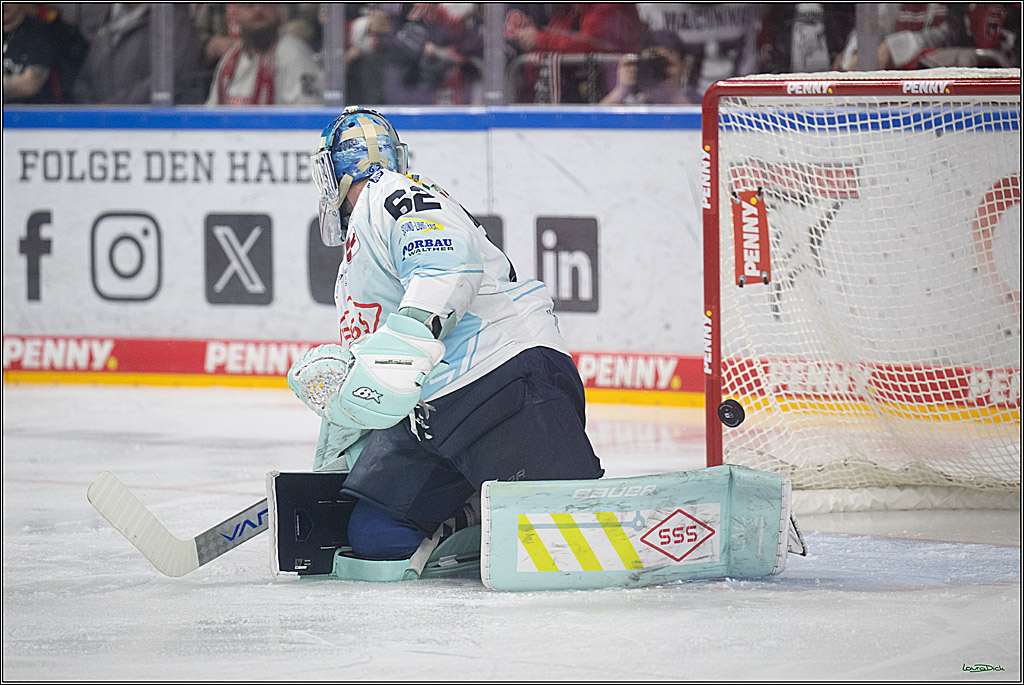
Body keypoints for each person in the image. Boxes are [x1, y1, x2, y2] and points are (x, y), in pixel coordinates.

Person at [287, 107, 604, 561]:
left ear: (338, 168)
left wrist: (407, 342)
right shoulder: (357, 251)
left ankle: (517, 504)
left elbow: (446, 261)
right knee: (377, 537)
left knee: (566, 542)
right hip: (436, 412)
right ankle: (480, 507)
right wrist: (348, 423)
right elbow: (387, 368)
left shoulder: (390, 193)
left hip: (499, 379)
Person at [72, 3, 204, 105]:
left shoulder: (172, 21)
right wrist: (90, 109)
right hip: (100, 129)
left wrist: (112, 107)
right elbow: (86, 78)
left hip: (148, 129)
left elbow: (170, 81)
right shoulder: (108, 20)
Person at [205, 2, 322, 106]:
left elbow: (306, 120)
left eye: (266, 4)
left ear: (277, 10)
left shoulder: (294, 54)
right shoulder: (229, 60)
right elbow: (211, 117)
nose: (258, 10)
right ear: (236, 14)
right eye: (249, 5)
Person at [601, 30, 694, 105]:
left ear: (684, 67)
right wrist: (621, 91)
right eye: (651, 64)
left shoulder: (698, 102)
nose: (657, 70)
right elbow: (596, 121)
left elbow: (699, 123)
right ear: (639, 63)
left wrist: (674, 96)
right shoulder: (630, 103)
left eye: (666, 65)